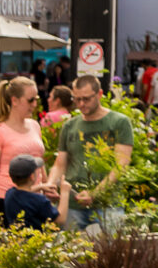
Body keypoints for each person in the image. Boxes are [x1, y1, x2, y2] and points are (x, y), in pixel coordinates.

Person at [52, 76, 134, 233]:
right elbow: (60, 163)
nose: (81, 104)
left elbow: (121, 165)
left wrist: (95, 193)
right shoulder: (70, 125)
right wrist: (51, 184)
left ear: (99, 94)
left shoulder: (119, 122)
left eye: (86, 99)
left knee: (111, 253)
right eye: (77, 99)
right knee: (70, 252)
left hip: (108, 204)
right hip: (72, 204)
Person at [0, 76, 46, 226]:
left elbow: (39, 160)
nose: (35, 104)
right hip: (6, 202)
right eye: (30, 100)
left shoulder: (34, 126)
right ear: (15, 101)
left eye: (36, 99)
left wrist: (47, 187)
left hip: (35, 199)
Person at [1, 154, 59, 230]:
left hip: (16, 238)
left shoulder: (9, 193)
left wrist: (40, 187)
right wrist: (65, 192)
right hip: (37, 240)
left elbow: (23, 192)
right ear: (32, 176)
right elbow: (60, 220)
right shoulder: (39, 200)